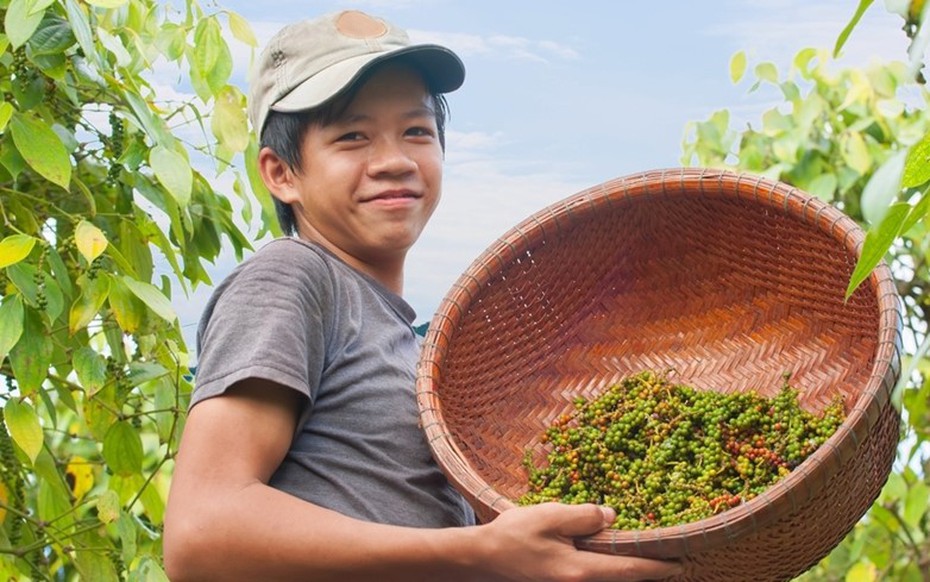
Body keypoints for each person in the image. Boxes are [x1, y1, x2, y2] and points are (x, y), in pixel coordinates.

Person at [163, 9, 683, 582]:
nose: (394, 162)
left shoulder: (418, 346)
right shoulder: (293, 277)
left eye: (417, 131)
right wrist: (479, 551)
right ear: (282, 172)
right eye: (352, 137)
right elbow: (201, 531)